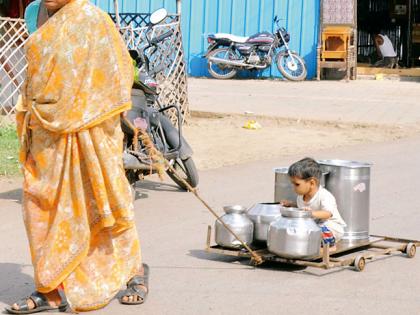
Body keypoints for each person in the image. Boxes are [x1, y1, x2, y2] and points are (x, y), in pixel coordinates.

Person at [6, 0, 149, 313]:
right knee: (40, 207)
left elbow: (117, 71)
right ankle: (51, 288)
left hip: (91, 129)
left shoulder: (93, 19)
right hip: (44, 129)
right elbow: (40, 68)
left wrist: (83, 107)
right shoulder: (34, 13)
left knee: (103, 201)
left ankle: (132, 271)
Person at [280, 157, 346, 251]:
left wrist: (311, 213)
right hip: (315, 226)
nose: (293, 187)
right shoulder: (301, 197)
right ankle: (313, 244)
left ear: (312, 183)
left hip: (332, 227)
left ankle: (331, 246)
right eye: (293, 184)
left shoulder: (324, 195)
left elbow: (327, 213)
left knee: (320, 228)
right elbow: (302, 207)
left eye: (297, 184)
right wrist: (291, 204)